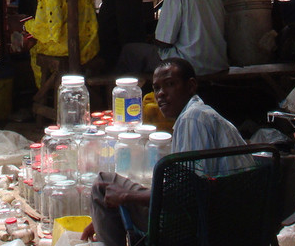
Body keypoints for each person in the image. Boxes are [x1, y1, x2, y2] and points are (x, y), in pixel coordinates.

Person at [85, 58, 254, 244]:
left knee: (103, 184)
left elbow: (188, 194)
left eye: (170, 84)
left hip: (204, 226)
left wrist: (126, 197)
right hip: (223, 219)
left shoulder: (194, 119)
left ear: (191, 86)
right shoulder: (199, 115)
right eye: (156, 88)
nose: (161, 94)